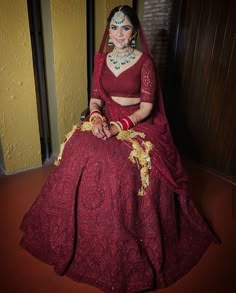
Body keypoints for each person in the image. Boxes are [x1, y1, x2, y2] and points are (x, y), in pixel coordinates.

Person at [20, 5, 217, 293]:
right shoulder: (102, 59)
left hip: (137, 122)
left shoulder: (144, 62)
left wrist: (118, 126)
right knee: (77, 147)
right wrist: (97, 116)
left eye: (125, 27)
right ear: (108, 30)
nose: (119, 33)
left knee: (119, 165)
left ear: (135, 32)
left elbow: (148, 108)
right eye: (114, 27)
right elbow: (96, 97)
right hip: (106, 117)